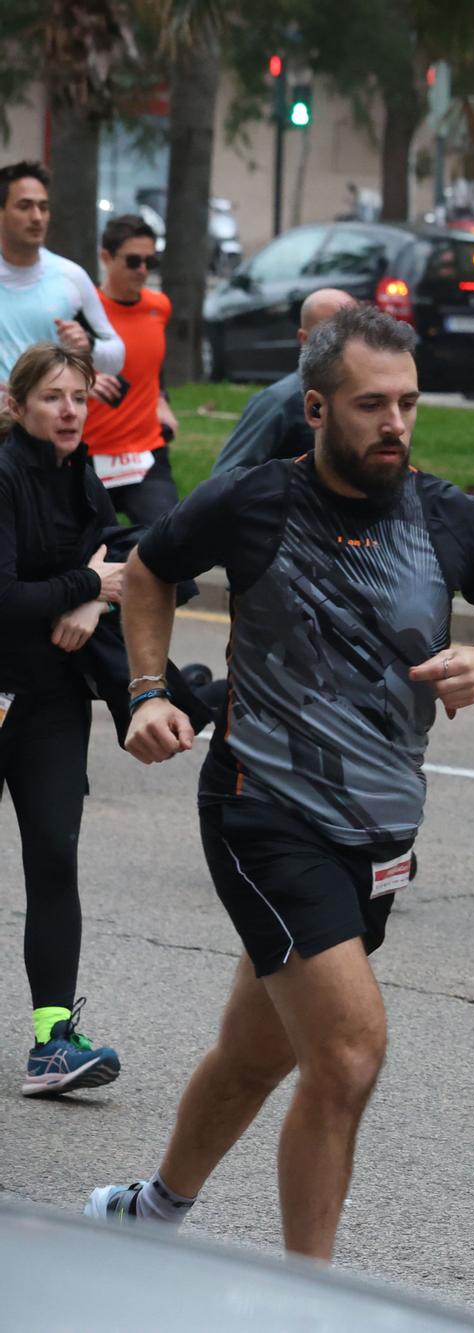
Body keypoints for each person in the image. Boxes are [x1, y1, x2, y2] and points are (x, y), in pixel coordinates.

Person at [85, 304, 474, 1258]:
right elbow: (148, 570)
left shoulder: (447, 517)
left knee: (256, 1052)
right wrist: (146, 691)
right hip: (262, 808)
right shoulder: (257, 500)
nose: (395, 424)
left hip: (381, 833)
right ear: (315, 408)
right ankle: (308, 1298)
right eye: (370, 405)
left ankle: (152, 1213)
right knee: (347, 1056)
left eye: (408, 404)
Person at [2, 342, 126, 1096]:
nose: (70, 409)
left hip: (50, 701)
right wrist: (86, 582)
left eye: (78, 395)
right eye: (52, 396)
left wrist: (91, 596)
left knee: (54, 858)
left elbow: (124, 553)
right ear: (17, 406)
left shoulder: (80, 474)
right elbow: (6, 595)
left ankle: (53, 1039)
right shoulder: (6, 474)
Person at [84, 214, 178, 527]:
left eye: (150, 261)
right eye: (134, 260)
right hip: (89, 456)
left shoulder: (159, 306)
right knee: (84, 558)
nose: (142, 270)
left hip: (145, 453)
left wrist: (161, 399)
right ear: (106, 257)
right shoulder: (84, 310)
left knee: (171, 551)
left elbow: (151, 364)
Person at [0, 161, 124, 385]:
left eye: (43, 207)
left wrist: (89, 345)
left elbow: (116, 358)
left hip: (49, 418)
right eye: (24, 206)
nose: (37, 217)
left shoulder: (70, 276)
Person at [213, 289, 359, 473]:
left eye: (354, 333)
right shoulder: (280, 401)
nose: (347, 344)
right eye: (333, 335)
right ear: (304, 340)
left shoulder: (372, 397)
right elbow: (225, 479)